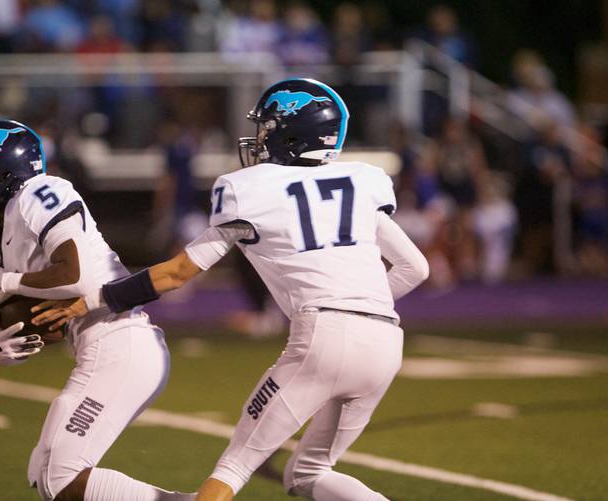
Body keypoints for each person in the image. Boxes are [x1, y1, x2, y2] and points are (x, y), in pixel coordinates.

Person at [34, 79, 430, 500]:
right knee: (309, 473)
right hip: (386, 341)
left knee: (234, 468)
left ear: (290, 133)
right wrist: (363, 307)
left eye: (268, 127)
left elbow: (177, 273)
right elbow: (415, 267)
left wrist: (98, 300)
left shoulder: (250, 189)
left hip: (324, 336)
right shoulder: (361, 182)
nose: (260, 138)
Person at [0, 119, 192, 501]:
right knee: (45, 475)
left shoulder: (40, 192)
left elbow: (74, 276)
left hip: (122, 343)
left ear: (0, 172)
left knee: (60, 477)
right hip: (95, 348)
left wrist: (9, 284)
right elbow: (48, 324)